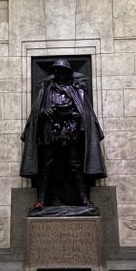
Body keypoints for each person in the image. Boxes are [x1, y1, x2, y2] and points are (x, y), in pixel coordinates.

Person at [20, 58, 106, 209]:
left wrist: (74, 115)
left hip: (70, 133)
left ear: (68, 73)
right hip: (51, 134)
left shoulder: (76, 91)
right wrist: (43, 112)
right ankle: (41, 200)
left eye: (63, 72)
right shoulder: (46, 90)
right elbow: (36, 114)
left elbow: (84, 113)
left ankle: (83, 198)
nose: (60, 74)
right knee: (46, 167)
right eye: (57, 71)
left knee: (75, 166)